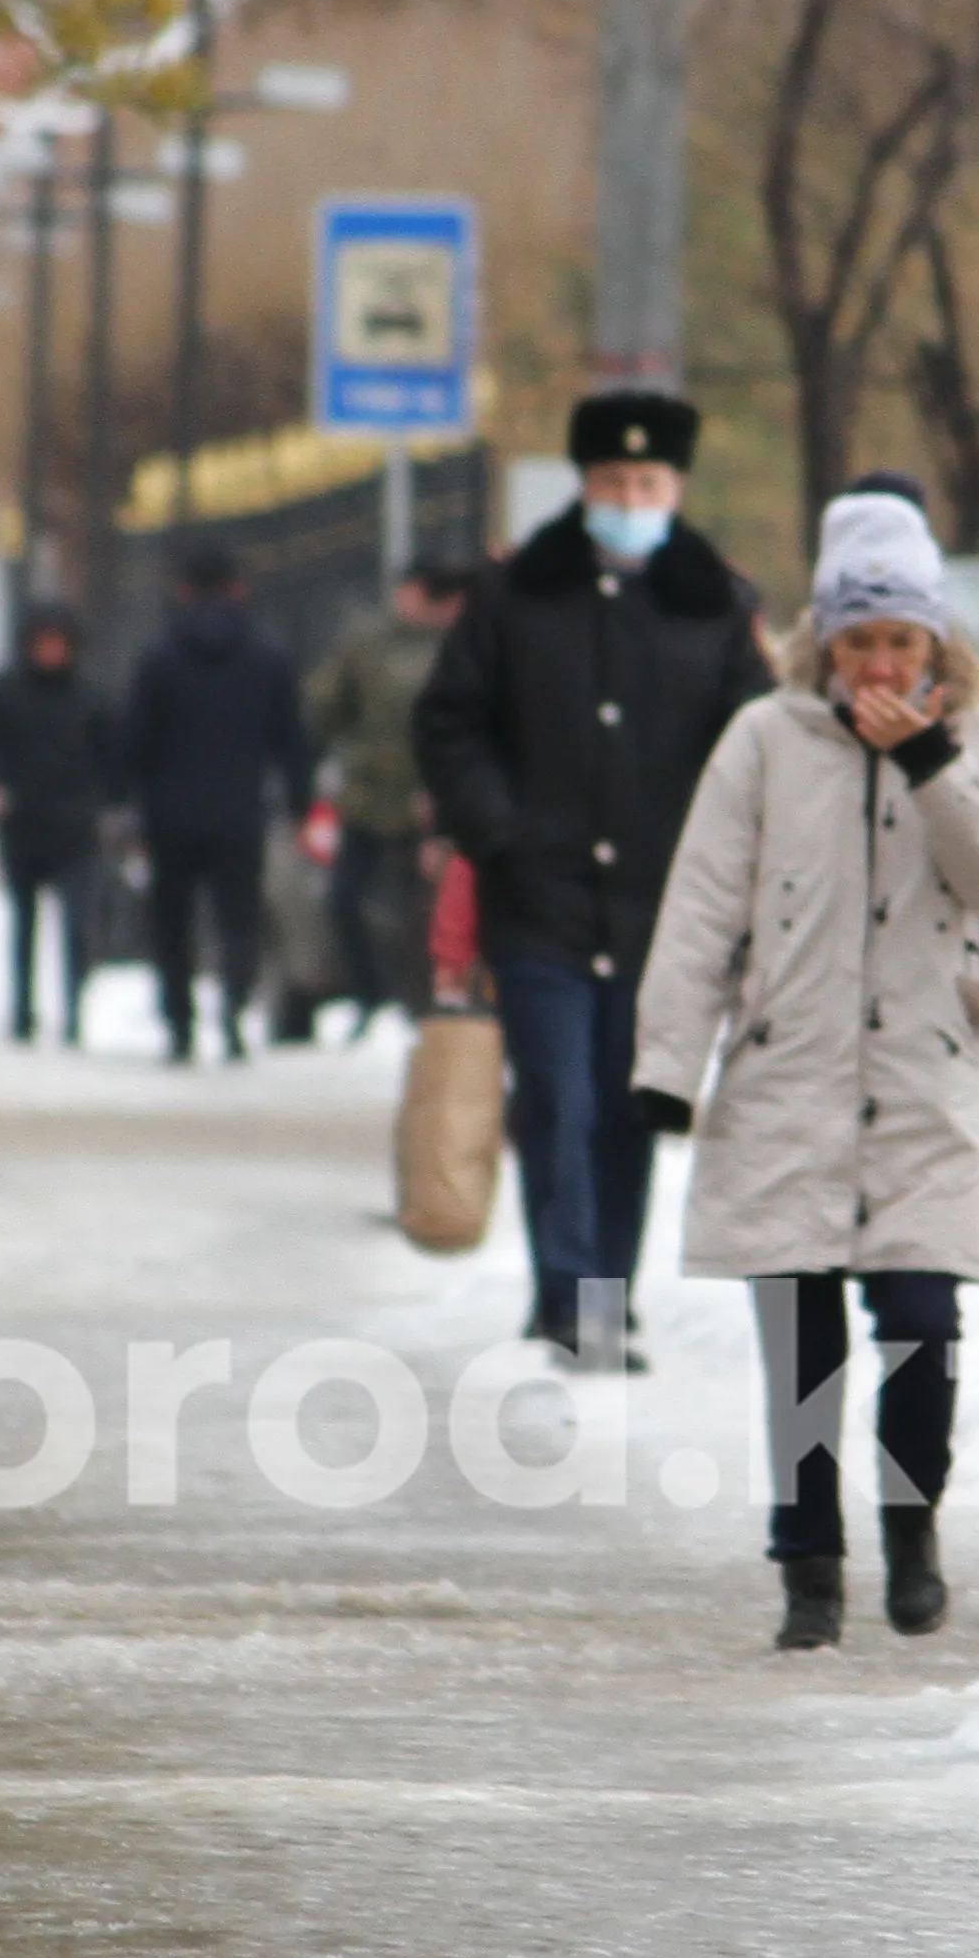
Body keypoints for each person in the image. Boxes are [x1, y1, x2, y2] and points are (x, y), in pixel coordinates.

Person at [630, 489, 979, 1651]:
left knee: (923, 1320)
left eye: (901, 640)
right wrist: (669, 1064)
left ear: (937, 646)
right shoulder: (764, 742)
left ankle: (912, 1531)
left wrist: (931, 763)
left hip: (927, 1084)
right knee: (803, 1340)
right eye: (859, 638)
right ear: (823, 640)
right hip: (789, 1079)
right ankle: (808, 1569)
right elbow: (702, 908)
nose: (878, 661)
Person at [412, 390, 774, 1362]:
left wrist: (726, 869)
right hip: (540, 900)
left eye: (647, 482)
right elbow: (449, 723)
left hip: (663, 910)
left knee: (626, 1109)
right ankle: (569, 1296)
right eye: (611, 481)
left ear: (676, 488)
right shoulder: (516, 593)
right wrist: (499, 830)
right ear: (583, 485)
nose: (629, 496)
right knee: (558, 1098)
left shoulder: (715, 605)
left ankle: (603, 1301)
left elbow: (758, 749)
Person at [117, 537, 312, 1063]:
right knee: (238, 917)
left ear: (182, 591)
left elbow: (133, 738)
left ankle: (179, 1023)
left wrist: (121, 800)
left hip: (169, 813)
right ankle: (233, 1008)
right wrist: (299, 802)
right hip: (240, 812)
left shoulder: (158, 657)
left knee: (171, 921)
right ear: (239, 589)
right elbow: (292, 739)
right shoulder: (268, 657)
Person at [304, 554, 473, 1026]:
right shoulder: (368, 644)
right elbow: (325, 707)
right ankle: (370, 994)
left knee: (427, 913)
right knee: (345, 900)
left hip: (432, 804)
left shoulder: (464, 645)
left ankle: (420, 1001)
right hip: (367, 797)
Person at [0, 604, 116, 1044]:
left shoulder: (90, 696)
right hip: (23, 823)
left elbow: (112, 756)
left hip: (75, 826)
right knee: (24, 922)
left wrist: (108, 804)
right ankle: (22, 1011)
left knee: (76, 924)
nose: (51, 651)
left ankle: (73, 1010)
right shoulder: (6, 692)